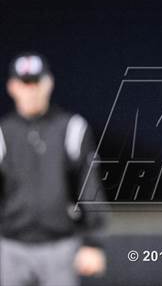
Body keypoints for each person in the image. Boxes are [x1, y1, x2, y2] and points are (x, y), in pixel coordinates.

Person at [0, 53, 107, 286]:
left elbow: (90, 186)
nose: (31, 90)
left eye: (36, 82)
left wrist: (92, 242)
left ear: (49, 83)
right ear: (12, 87)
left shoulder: (71, 127)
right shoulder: (2, 132)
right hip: (10, 248)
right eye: (24, 83)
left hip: (60, 248)